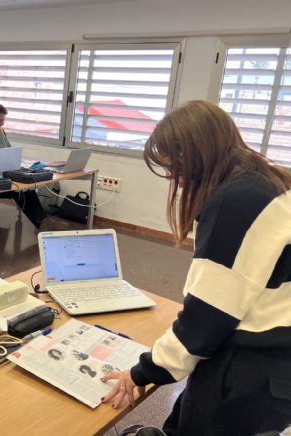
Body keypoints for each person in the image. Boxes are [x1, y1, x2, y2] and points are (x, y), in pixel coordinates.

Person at [101, 100, 291, 435]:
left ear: (196, 155)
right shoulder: (268, 181)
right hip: (274, 370)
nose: (177, 179)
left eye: (174, 167)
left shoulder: (237, 201)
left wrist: (141, 372)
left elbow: (207, 315)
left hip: (247, 372)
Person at [0, 105, 50, 229]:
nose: (2, 123)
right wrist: (1, 135)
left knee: (26, 189)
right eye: (0, 120)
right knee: (18, 191)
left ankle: (42, 222)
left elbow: (9, 151)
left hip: (4, 171)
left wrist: (0, 134)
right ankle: (41, 222)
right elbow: (2, 152)